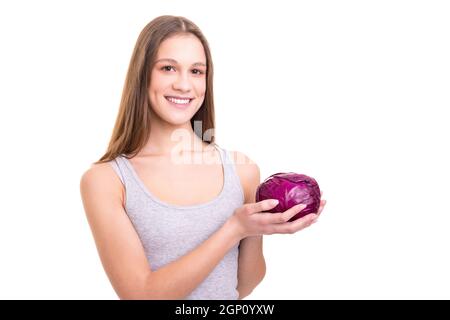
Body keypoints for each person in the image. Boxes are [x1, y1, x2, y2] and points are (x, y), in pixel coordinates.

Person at [80, 15, 326, 300]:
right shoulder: (107, 180)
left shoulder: (241, 170)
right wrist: (234, 229)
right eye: (168, 68)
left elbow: (242, 285)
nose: (184, 85)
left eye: (197, 71)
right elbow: (140, 295)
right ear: (143, 74)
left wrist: (256, 228)